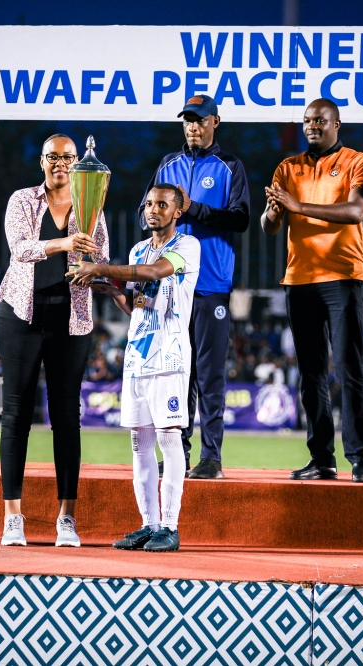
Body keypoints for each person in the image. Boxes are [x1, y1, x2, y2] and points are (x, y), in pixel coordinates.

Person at [69, 184, 200, 553]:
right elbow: (142, 305)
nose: (153, 210)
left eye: (163, 205)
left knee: (169, 439)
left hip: (170, 358)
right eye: (149, 204)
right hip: (138, 358)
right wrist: (115, 293)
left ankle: (171, 527)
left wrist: (101, 267)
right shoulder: (138, 249)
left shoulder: (186, 247)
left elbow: (157, 272)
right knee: (139, 444)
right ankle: (149, 525)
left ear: (177, 212)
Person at [0, 134, 109, 548]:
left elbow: (102, 257)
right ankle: (13, 517)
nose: (60, 164)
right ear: (41, 161)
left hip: (71, 318)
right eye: (53, 157)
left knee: (67, 417)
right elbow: (19, 249)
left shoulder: (90, 204)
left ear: (78, 163)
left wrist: (95, 269)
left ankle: (66, 518)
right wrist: (63, 243)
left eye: (68, 158)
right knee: (16, 414)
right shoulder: (22, 200)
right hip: (21, 315)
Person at [261, 98, 363, 483]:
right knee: (310, 375)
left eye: (320, 120)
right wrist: (275, 212)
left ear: (336, 124)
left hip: (343, 276)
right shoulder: (287, 167)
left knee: (349, 369)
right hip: (299, 280)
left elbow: (356, 211)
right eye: (308, 120)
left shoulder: (359, 162)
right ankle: (322, 458)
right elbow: (270, 227)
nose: (312, 125)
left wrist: (298, 204)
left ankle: (360, 459)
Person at [138, 95, 250, 480]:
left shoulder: (229, 166)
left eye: (200, 121)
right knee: (176, 374)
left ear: (215, 122)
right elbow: (144, 212)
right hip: (169, 286)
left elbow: (240, 219)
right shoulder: (167, 164)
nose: (193, 127)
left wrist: (192, 208)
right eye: (187, 121)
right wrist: (158, 215)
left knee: (209, 375)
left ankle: (212, 457)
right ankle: (178, 454)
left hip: (210, 285)